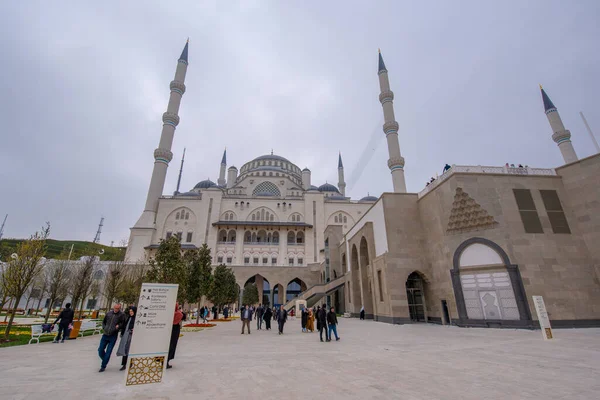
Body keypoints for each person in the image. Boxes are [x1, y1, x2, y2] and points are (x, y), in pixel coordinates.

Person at [98, 303, 126, 372]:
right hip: (105, 334)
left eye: (118, 308)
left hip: (113, 335)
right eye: (115, 308)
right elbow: (104, 322)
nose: (116, 309)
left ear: (120, 308)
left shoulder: (122, 315)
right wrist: (104, 328)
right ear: (113, 307)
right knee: (100, 350)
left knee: (108, 351)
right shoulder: (109, 313)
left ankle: (103, 366)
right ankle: (105, 359)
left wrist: (118, 326)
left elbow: (123, 323)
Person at [117, 306, 137, 371]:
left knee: (129, 350)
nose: (131, 313)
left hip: (131, 336)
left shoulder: (136, 319)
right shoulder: (128, 318)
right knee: (125, 349)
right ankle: (124, 364)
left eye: (132, 311)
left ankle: (129, 363)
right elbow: (124, 326)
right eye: (130, 311)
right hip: (126, 335)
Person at [167, 303, 184, 369]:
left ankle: (164, 360)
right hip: (174, 331)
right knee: (171, 346)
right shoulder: (178, 314)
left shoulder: (168, 313)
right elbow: (182, 316)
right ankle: (167, 361)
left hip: (168, 330)